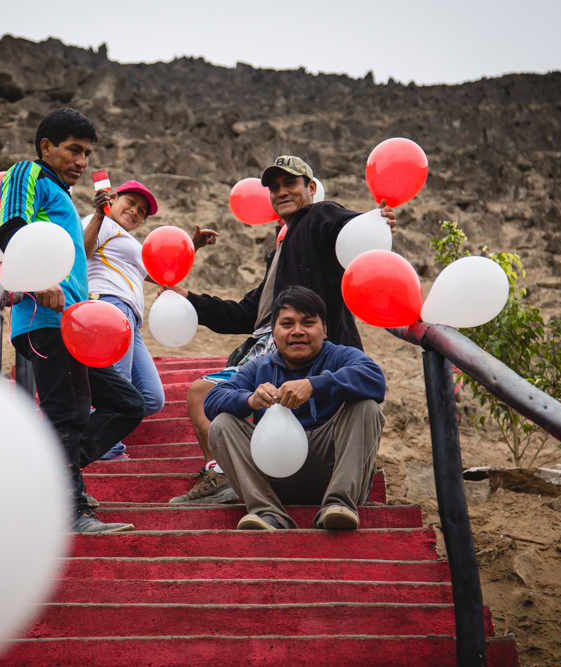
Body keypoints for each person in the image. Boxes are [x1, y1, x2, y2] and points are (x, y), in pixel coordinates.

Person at [166, 155, 396, 505]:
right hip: (266, 349)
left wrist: (375, 222)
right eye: (274, 187)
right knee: (207, 395)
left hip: (313, 349)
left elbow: (343, 226)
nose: (281, 192)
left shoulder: (317, 216)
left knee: (200, 392)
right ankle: (226, 474)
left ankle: (224, 476)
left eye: (290, 183)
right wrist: (188, 299)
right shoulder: (280, 251)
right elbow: (246, 313)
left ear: (311, 188)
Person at [0, 108, 145, 534]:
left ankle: (50, 476)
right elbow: (11, 228)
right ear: (47, 147)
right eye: (74, 150)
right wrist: (37, 277)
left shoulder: (62, 194)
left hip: (73, 326)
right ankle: (70, 509)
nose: (82, 161)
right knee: (70, 412)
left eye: (87, 154)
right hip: (43, 321)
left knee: (127, 404)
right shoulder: (28, 173)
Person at [203, 286, 386, 530]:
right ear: (274, 333)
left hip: (331, 470)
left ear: (325, 330)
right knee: (222, 424)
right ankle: (268, 513)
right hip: (275, 477)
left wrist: (314, 385)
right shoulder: (259, 367)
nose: (297, 331)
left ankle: (339, 505)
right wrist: (250, 400)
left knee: (366, 406)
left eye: (308, 323)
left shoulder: (342, 356)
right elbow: (213, 399)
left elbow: (375, 379)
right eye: (287, 324)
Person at [81, 181, 218, 460]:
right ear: (114, 198)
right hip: (108, 306)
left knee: (152, 397)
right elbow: (80, 253)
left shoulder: (131, 243)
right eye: (130, 202)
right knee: (116, 383)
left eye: (142, 211)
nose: (135, 211)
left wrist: (193, 246)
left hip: (132, 319)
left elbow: (160, 275)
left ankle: (94, 425)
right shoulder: (103, 223)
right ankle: (107, 450)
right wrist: (98, 215)